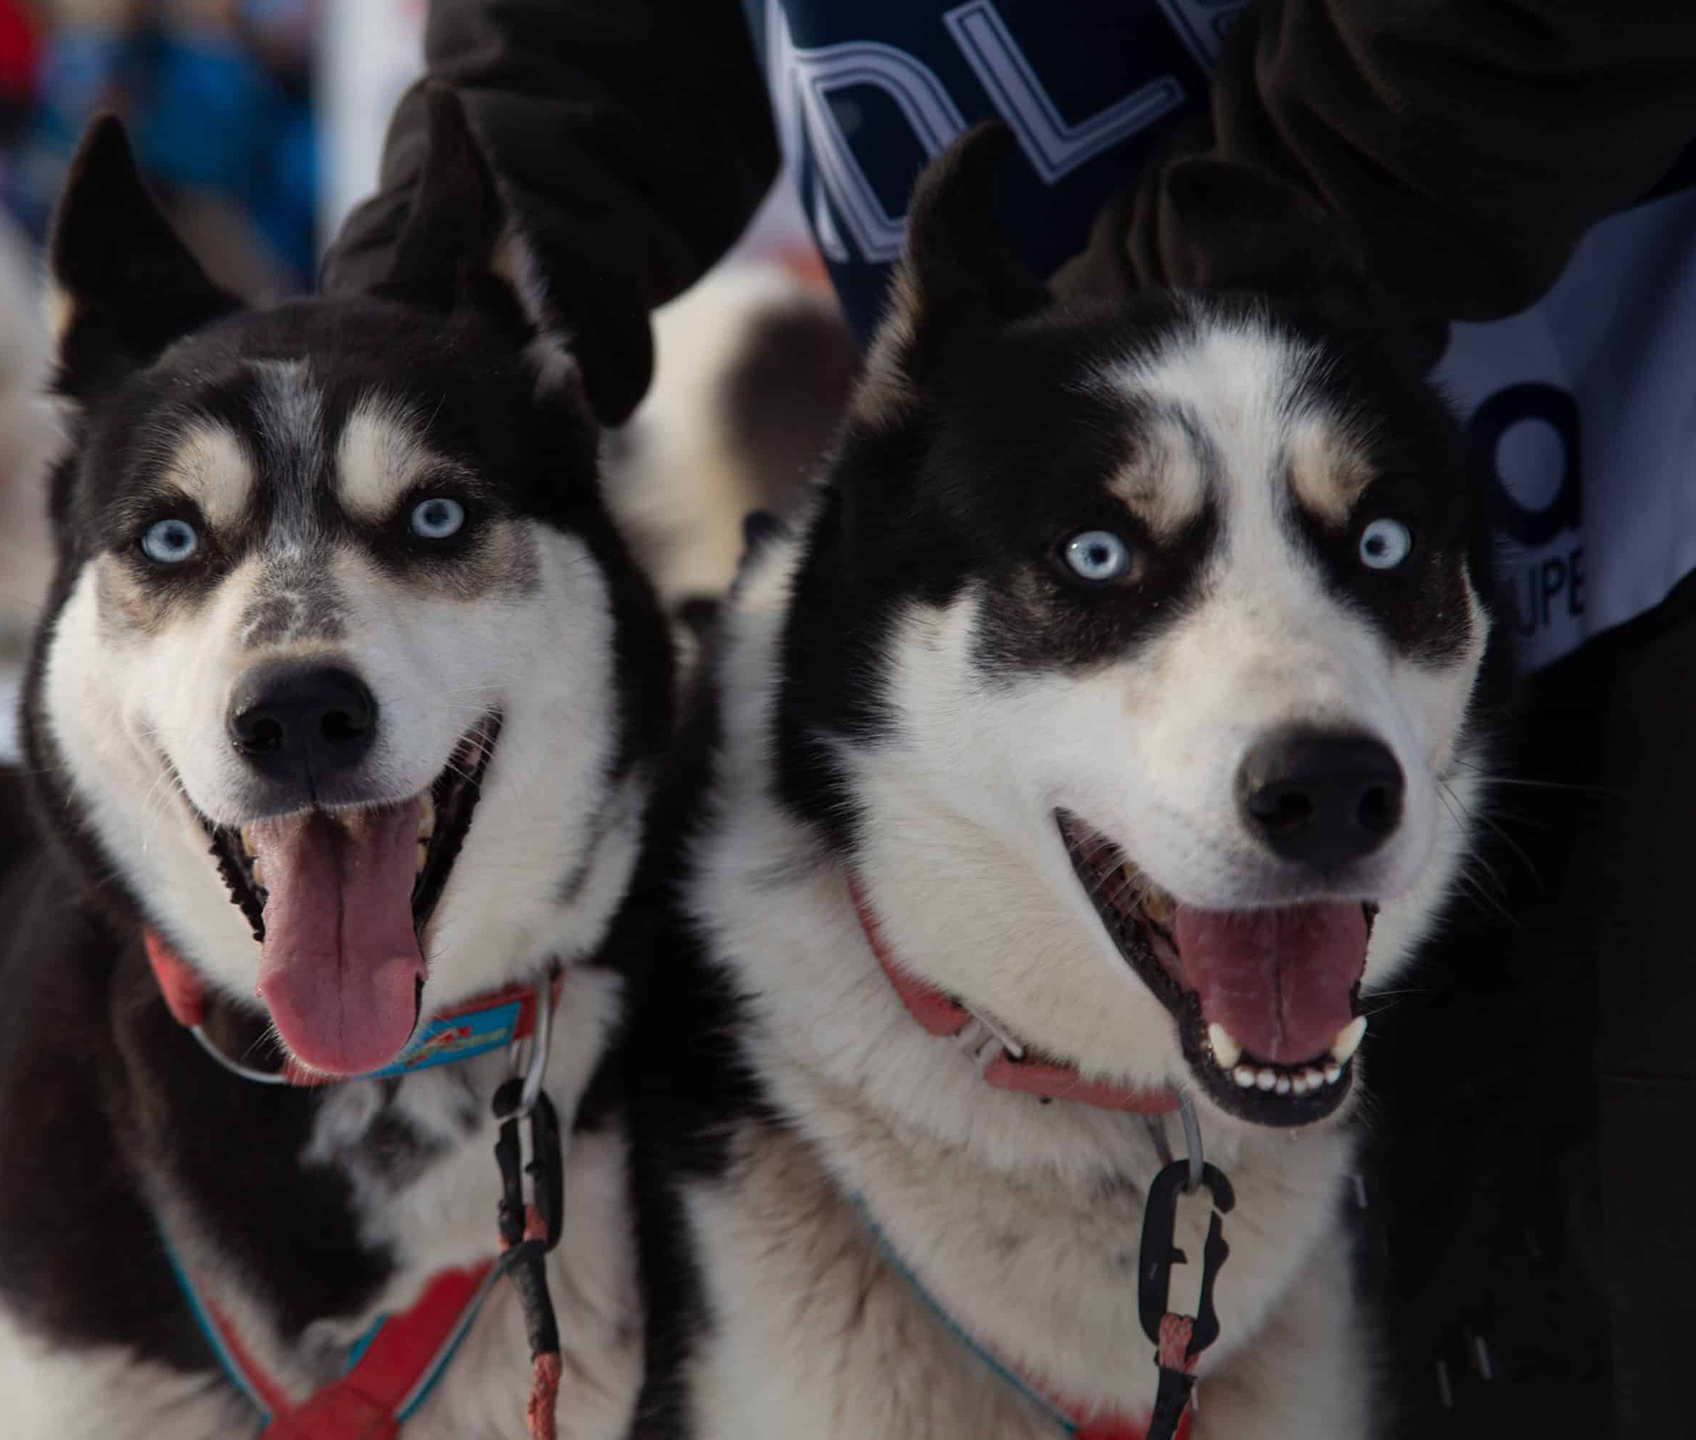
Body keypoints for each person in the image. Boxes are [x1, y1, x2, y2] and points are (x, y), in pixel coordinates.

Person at [324, 4, 1696, 1435]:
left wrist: (1059, 392)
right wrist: (375, 384)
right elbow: (583, 55)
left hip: (1623, 533)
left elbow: (1513, 38)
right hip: (1027, 634)